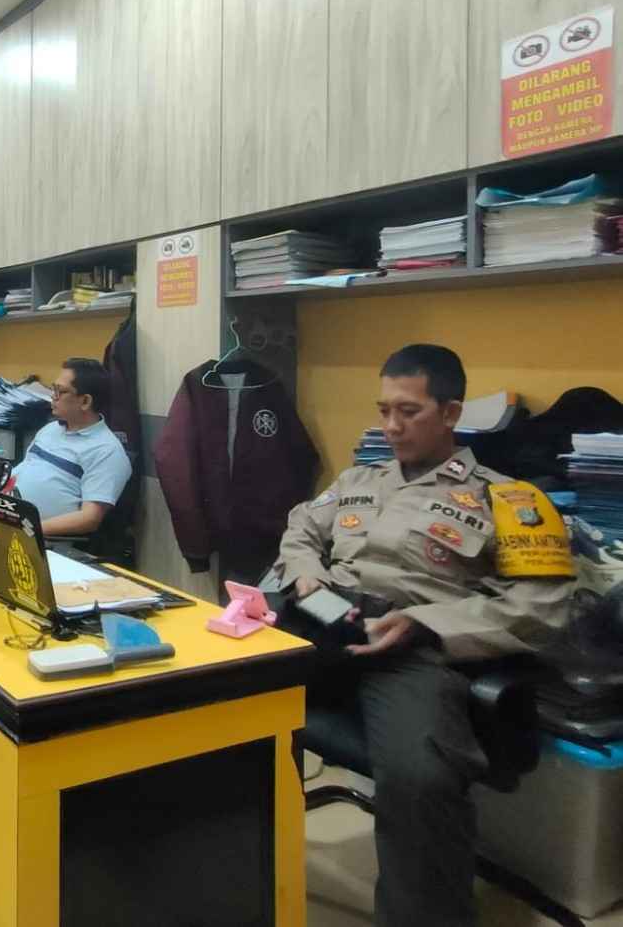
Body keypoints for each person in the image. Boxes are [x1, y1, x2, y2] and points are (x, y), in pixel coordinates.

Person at [271, 344, 575, 926]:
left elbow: (543, 606)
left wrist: (425, 624)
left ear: (451, 413)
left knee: (420, 780)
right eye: (384, 410)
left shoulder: (508, 499)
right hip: (323, 624)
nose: (391, 426)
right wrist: (307, 576)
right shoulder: (360, 478)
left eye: (408, 412)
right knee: (211, 694)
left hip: (409, 649)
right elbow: (301, 526)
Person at [10, 357, 131, 539]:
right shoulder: (50, 429)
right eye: (53, 389)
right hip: (10, 520)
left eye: (61, 391)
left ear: (85, 401)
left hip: (43, 539)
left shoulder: (106, 451)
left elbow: (89, 519)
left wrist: (28, 529)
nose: (53, 396)